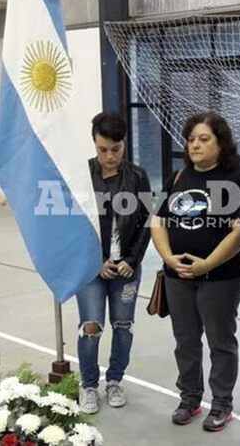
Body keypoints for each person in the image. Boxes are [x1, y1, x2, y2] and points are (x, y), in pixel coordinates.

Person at [150, 112, 240, 432]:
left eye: (204, 139)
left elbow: (238, 231)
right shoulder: (179, 177)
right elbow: (159, 221)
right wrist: (168, 258)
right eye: (191, 139)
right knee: (186, 340)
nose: (195, 145)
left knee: (220, 341)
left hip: (220, 277)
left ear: (221, 144)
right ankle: (189, 397)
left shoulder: (234, 179)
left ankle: (221, 404)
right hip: (178, 277)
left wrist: (207, 264)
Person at [77, 112, 151, 414]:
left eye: (115, 149)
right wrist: (96, 262)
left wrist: (132, 260)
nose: (109, 156)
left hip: (126, 269)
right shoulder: (82, 175)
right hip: (91, 269)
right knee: (91, 326)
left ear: (124, 144)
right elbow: (75, 225)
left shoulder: (137, 176)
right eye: (102, 149)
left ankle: (115, 380)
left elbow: (148, 221)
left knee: (123, 325)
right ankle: (89, 385)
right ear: (94, 144)